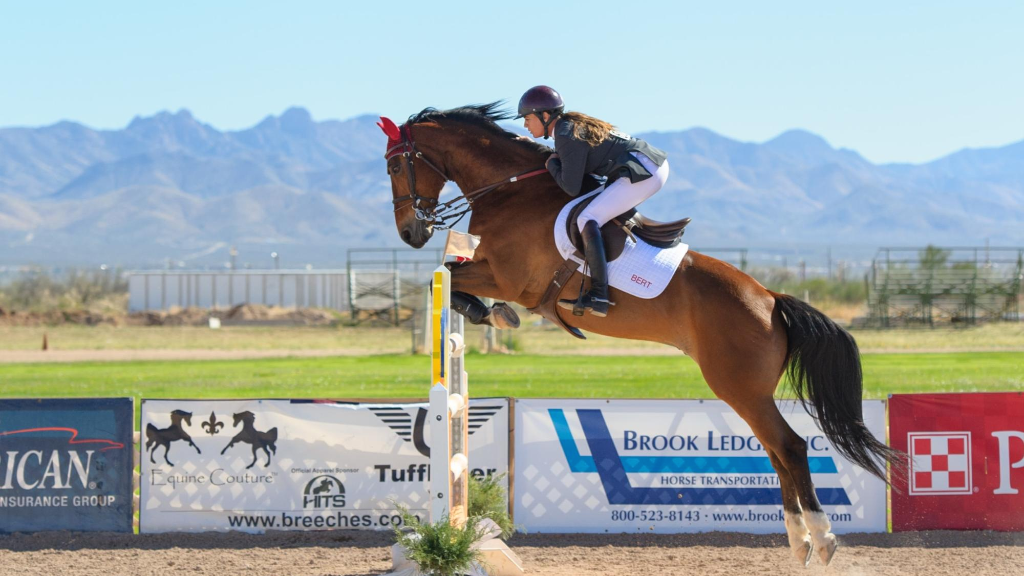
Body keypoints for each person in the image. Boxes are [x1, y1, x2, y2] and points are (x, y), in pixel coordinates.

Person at [517, 85, 670, 317]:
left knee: (587, 218)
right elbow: (568, 158)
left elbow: (570, 187)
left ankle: (599, 294)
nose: (525, 125)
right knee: (593, 212)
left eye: (527, 119)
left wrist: (551, 164)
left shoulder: (566, 133)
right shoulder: (567, 128)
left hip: (644, 171)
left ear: (545, 116)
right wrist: (539, 150)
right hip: (646, 165)